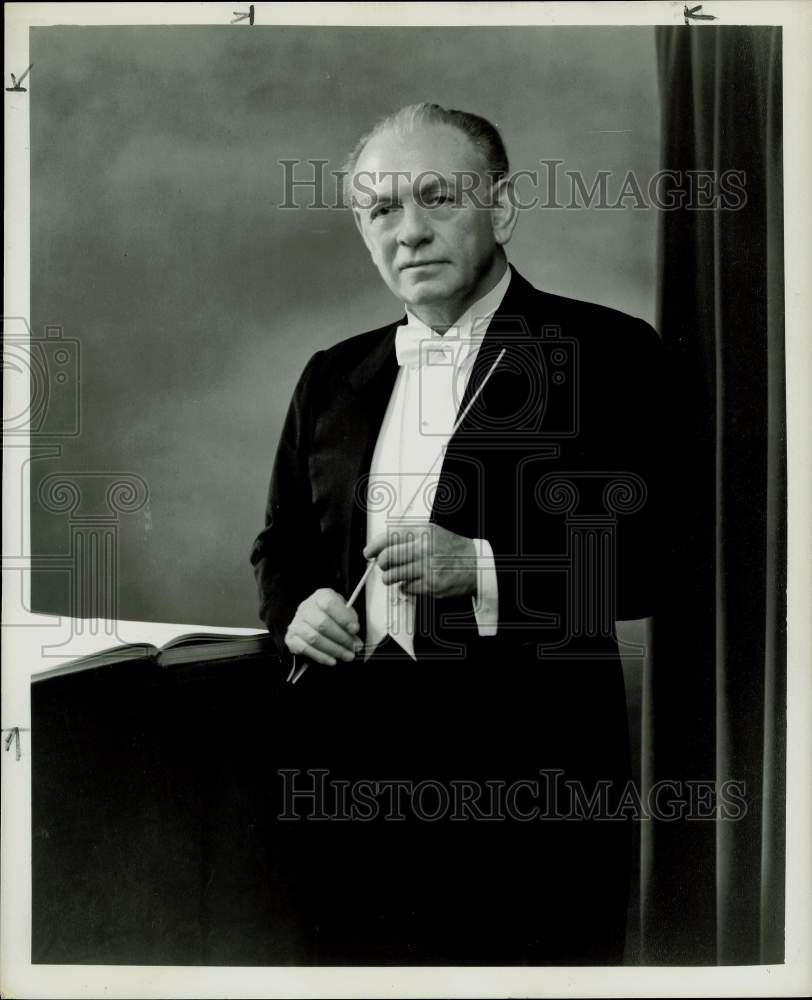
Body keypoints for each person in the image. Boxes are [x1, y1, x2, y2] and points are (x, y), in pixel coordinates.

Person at [250, 103, 663, 965]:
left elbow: (665, 558)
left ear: (502, 210)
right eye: (382, 210)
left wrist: (478, 567)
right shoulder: (330, 375)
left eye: (437, 199)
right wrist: (297, 607)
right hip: (343, 785)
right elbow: (280, 543)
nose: (409, 232)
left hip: (533, 789)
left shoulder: (611, 351)